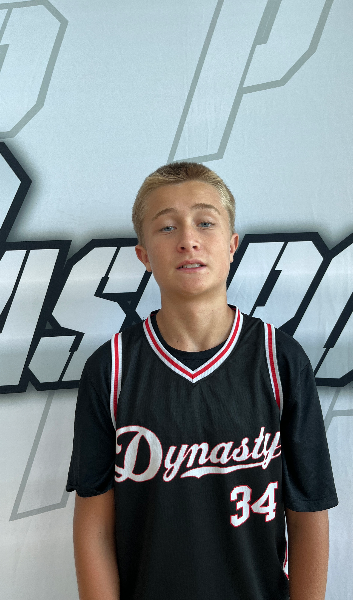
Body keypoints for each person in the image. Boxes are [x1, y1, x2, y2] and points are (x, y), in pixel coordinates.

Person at [66, 162, 338, 600]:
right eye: (167, 227)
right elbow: (94, 525)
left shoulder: (279, 359)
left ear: (232, 246)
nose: (188, 240)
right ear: (143, 255)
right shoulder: (111, 369)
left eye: (205, 222)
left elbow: (308, 512)